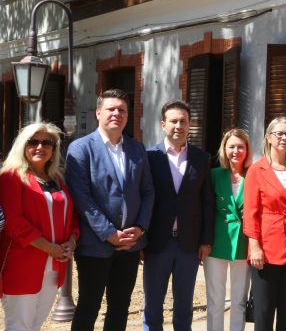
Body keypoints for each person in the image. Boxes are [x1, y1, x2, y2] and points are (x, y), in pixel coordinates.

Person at [67, 89, 155, 331]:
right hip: (95, 245)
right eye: (111, 109)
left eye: (122, 110)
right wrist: (109, 233)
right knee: (89, 305)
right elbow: (82, 198)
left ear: (127, 116)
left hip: (130, 244)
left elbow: (148, 191)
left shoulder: (137, 149)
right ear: (98, 113)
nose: (117, 113)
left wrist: (140, 228)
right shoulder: (80, 148)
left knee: (120, 306)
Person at [143, 99, 215, 331]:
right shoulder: (149, 156)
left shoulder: (201, 158)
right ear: (163, 124)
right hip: (156, 243)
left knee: (184, 307)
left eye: (183, 121)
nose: (179, 126)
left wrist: (206, 240)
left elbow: (207, 202)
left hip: (189, 245)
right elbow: (143, 199)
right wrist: (141, 239)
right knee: (153, 306)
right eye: (173, 121)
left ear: (189, 124)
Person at [0, 122, 80, 331]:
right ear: (22, 145)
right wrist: (48, 247)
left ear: (53, 150)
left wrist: (71, 241)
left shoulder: (57, 179)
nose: (40, 147)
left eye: (47, 143)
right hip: (22, 265)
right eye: (33, 142)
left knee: (35, 325)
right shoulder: (11, 177)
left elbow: (71, 216)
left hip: (54, 265)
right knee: (19, 326)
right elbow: (14, 222)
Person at [243, 116, 286, 331]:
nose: (284, 138)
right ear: (269, 137)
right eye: (279, 133)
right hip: (267, 252)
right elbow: (250, 213)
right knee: (264, 315)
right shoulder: (257, 170)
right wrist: (254, 247)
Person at [205, 128, 253, 331]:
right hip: (217, 242)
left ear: (247, 150)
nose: (236, 151)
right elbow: (205, 209)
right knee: (215, 300)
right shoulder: (214, 175)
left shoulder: (254, 175)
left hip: (244, 242)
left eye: (240, 147)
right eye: (231, 146)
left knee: (239, 300)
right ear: (224, 149)